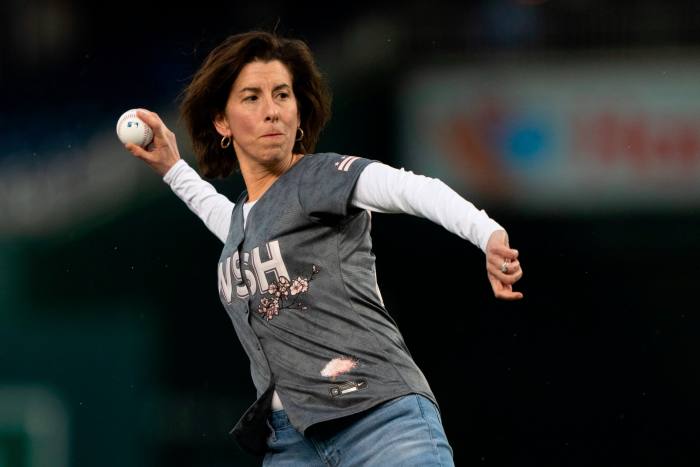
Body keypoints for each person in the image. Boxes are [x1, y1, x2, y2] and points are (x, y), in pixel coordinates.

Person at [124, 30, 523, 466]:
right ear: (223, 121)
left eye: (282, 94)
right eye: (252, 98)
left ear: (299, 111)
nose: (271, 111)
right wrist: (173, 169)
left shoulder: (319, 177)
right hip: (292, 444)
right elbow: (235, 227)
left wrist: (485, 233)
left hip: (378, 421)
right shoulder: (246, 218)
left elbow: (411, 188)